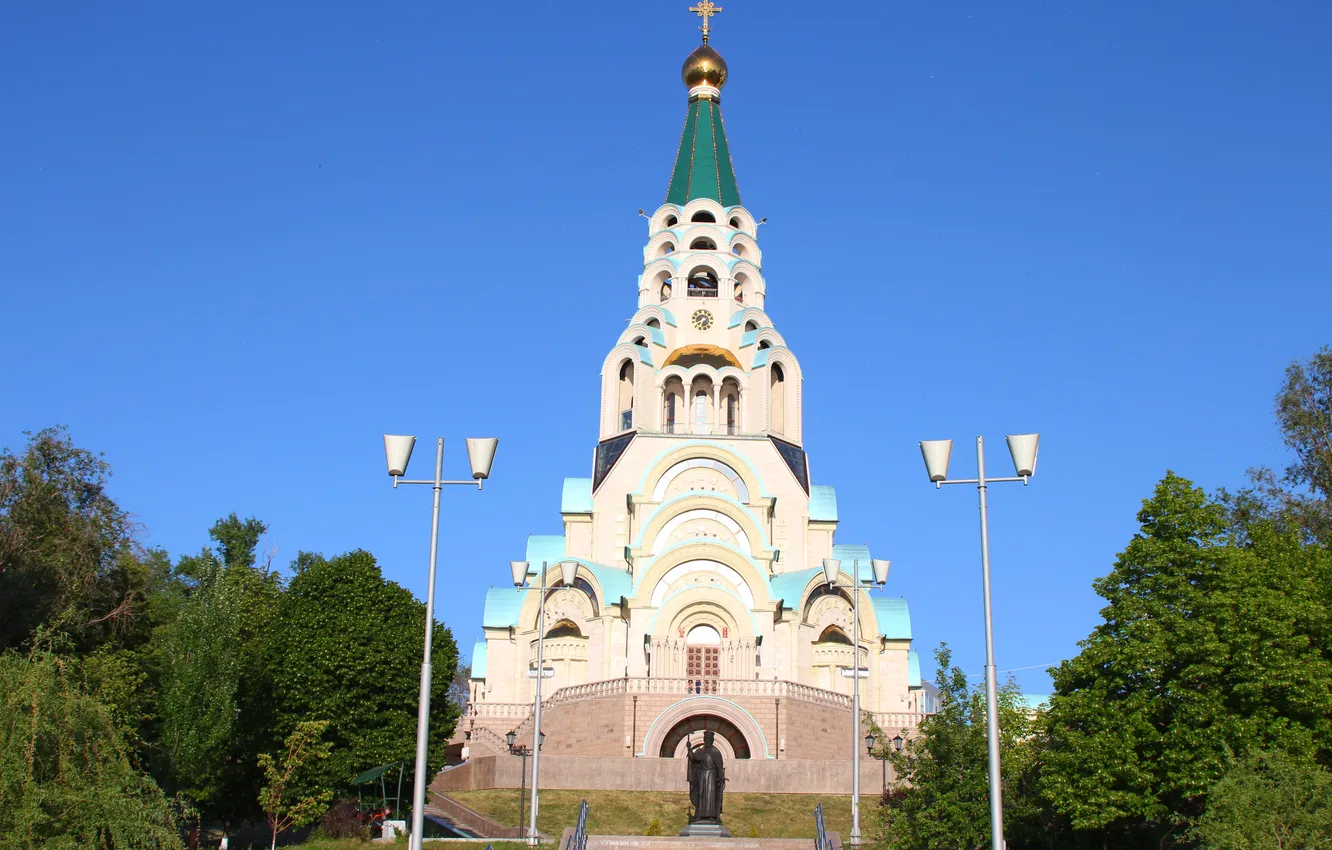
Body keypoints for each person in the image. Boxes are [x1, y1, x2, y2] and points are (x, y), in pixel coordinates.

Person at [686, 730, 726, 821]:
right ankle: (699, 814)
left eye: (709, 739)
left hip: (712, 775)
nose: (707, 740)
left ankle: (711, 815)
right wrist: (689, 749)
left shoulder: (716, 752)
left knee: (711, 795)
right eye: (706, 739)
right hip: (702, 775)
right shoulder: (700, 750)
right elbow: (693, 759)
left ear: (712, 740)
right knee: (701, 793)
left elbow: (719, 766)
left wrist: (720, 777)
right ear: (704, 739)